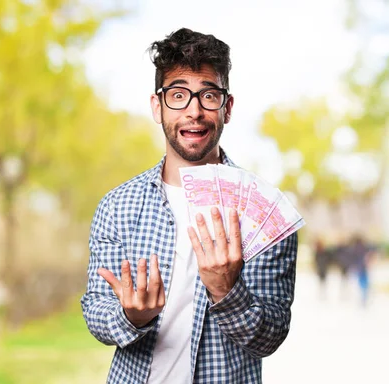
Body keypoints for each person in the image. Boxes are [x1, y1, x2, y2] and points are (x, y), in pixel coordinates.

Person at [80, 28, 299, 384]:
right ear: (158, 106)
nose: (194, 111)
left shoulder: (268, 213)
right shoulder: (117, 206)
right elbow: (95, 312)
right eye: (178, 95)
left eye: (208, 95)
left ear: (227, 108)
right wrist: (131, 317)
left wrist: (227, 291)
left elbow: (269, 337)